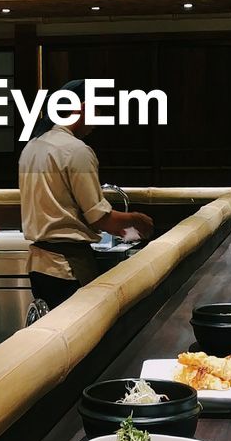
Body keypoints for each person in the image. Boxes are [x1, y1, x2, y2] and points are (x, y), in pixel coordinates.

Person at [18, 79, 154, 308]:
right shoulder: (76, 150)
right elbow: (101, 219)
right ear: (80, 107)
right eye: (97, 110)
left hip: (38, 266)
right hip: (67, 267)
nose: (97, 120)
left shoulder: (32, 146)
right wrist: (138, 223)